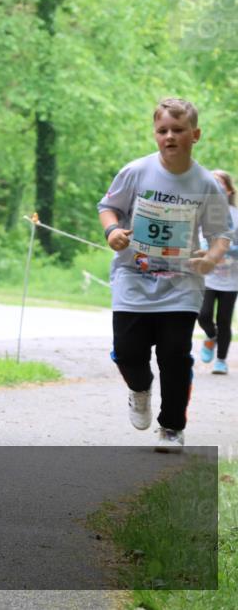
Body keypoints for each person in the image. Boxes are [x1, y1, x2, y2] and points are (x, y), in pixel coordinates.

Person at [98, 98, 231, 452]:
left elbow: (221, 233)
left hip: (181, 284)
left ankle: (171, 426)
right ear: (155, 134)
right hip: (133, 278)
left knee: (174, 355)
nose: (169, 136)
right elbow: (109, 207)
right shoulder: (136, 172)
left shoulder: (206, 184)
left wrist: (210, 259)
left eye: (178, 130)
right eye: (162, 130)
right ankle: (139, 389)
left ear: (195, 135)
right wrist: (112, 232)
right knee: (128, 353)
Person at [198, 170, 238, 375]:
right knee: (203, 315)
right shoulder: (202, 211)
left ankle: (221, 360)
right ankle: (211, 336)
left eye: (219, 183)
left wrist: (223, 249)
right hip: (207, 276)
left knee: (224, 319)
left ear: (229, 190)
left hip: (231, 278)